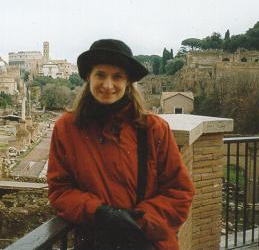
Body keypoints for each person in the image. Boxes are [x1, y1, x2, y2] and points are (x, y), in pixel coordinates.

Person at [47, 39, 194, 250]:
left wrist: (139, 221)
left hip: (147, 242)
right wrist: (100, 212)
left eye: (117, 76)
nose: (108, 85)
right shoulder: (66, 128)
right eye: (100, 75)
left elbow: (179, 192)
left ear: (128, 82)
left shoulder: (154, 128)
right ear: (89, 77)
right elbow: (60, 190)